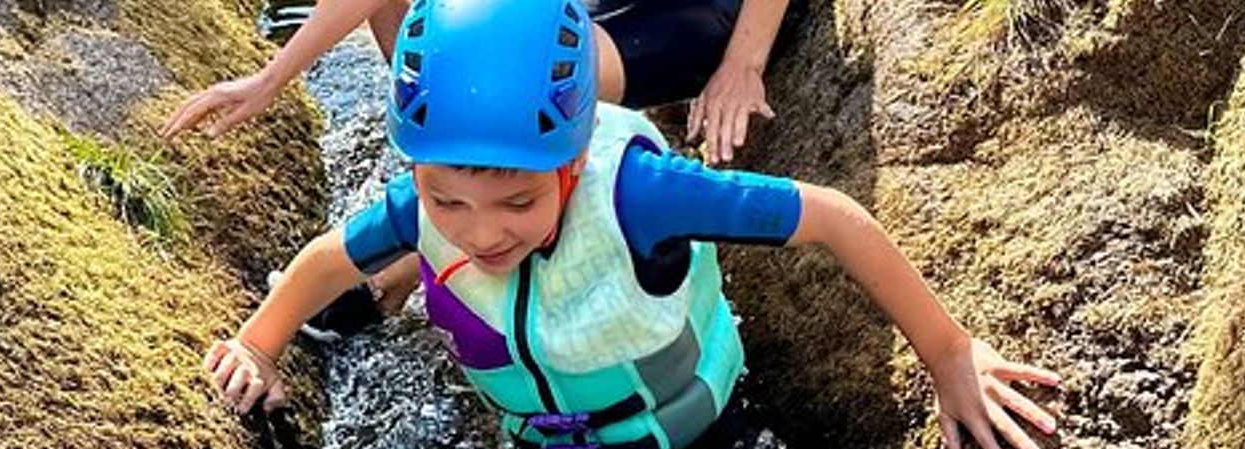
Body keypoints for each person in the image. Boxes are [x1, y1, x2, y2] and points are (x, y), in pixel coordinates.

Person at [201, 0, 1059, 449]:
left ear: (572, 163)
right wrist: (258, 344)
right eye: (448, 203)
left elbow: (833, 218)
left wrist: (950, 356)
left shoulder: (641, 192)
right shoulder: (427, 199)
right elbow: (326, 259)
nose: (479, 234)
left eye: (516, 204)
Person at [165, 0, 805, 340]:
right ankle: (448, 195)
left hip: (688, 11)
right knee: (436, 29)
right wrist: (273, 77)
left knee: (535, 95)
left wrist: (743, 61)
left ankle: (412, 257)